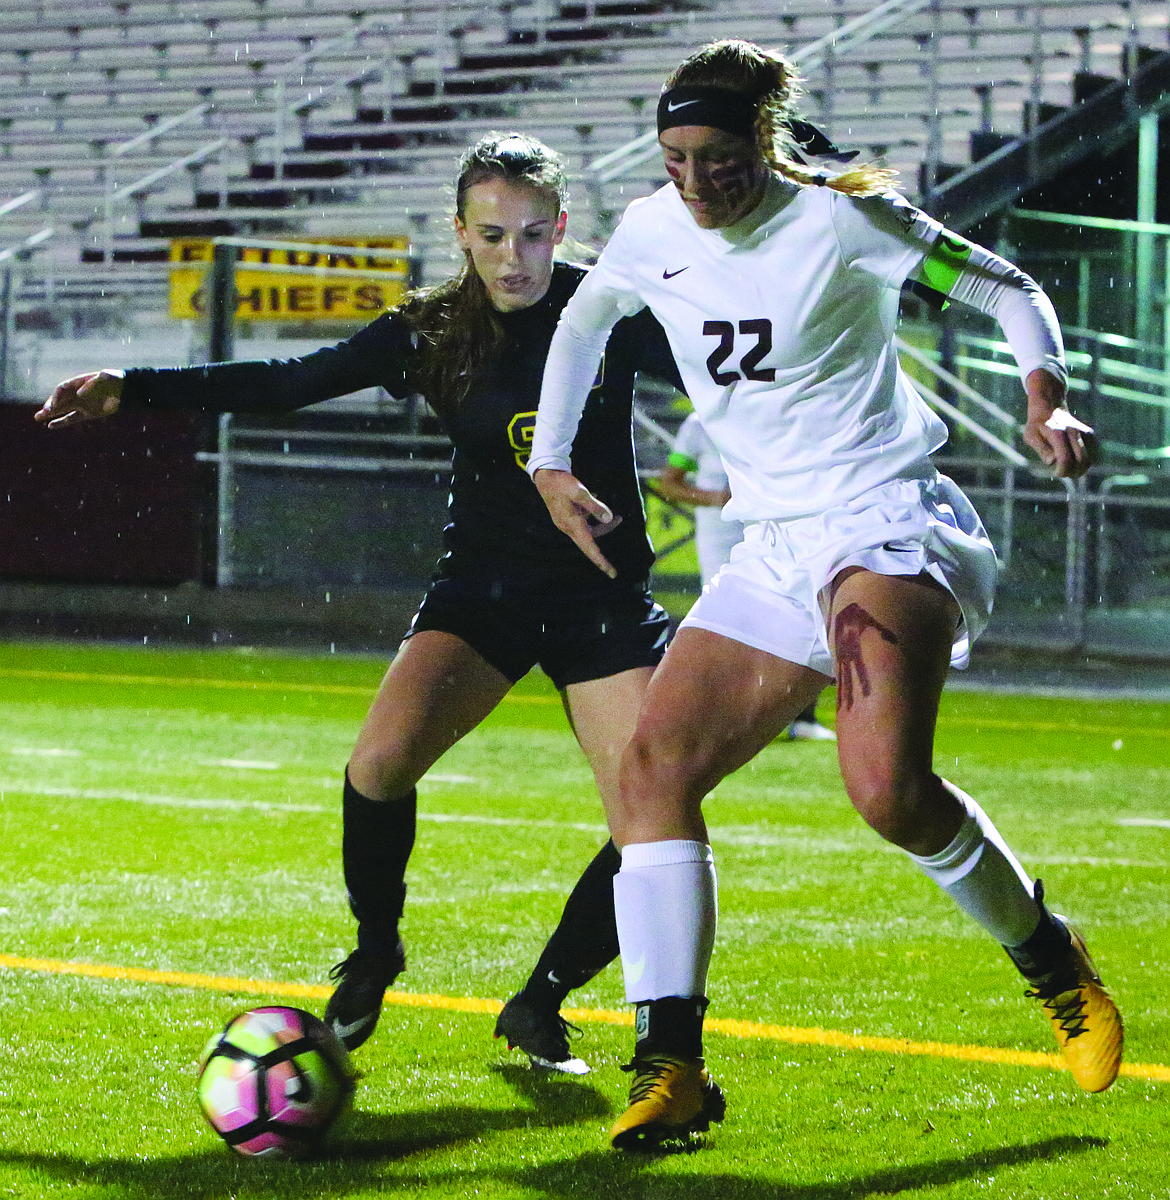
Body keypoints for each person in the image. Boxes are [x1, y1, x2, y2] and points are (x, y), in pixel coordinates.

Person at [528, 39, 1123, 1151]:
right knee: (652, 772)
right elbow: (584, 320)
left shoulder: (844, 221)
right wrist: (549, 462)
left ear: (766, 139)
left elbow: (1003, 286)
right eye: (675, 159)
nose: (696, 183)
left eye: (718, 157)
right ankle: (672, 1068)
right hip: (771, 543)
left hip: (883, 518)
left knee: (886, 793)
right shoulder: (655, 230)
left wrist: (1048, 398)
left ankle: (1051, 959)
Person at [34, 132, 679, 1073]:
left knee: (650, 819)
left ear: (562, 229)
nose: (514, 257)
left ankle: (541, 1002)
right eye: (493, 235)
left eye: (534, 235)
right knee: (378, 764)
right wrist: (133, 388)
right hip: (483, 590)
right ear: (458, 232)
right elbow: (288, 383)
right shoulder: (428, 330)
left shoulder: (613, 311)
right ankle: (377, 951)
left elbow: (734, 364)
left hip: (601, 595)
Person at [658, 409, 835, 740]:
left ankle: (802, 717)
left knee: (796, 613)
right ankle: (721, 713)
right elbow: (669, 483)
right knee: (729, 620)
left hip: (772, 529)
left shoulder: (771, 411)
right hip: (719, 535)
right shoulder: (700, 422)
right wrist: (717, 498)